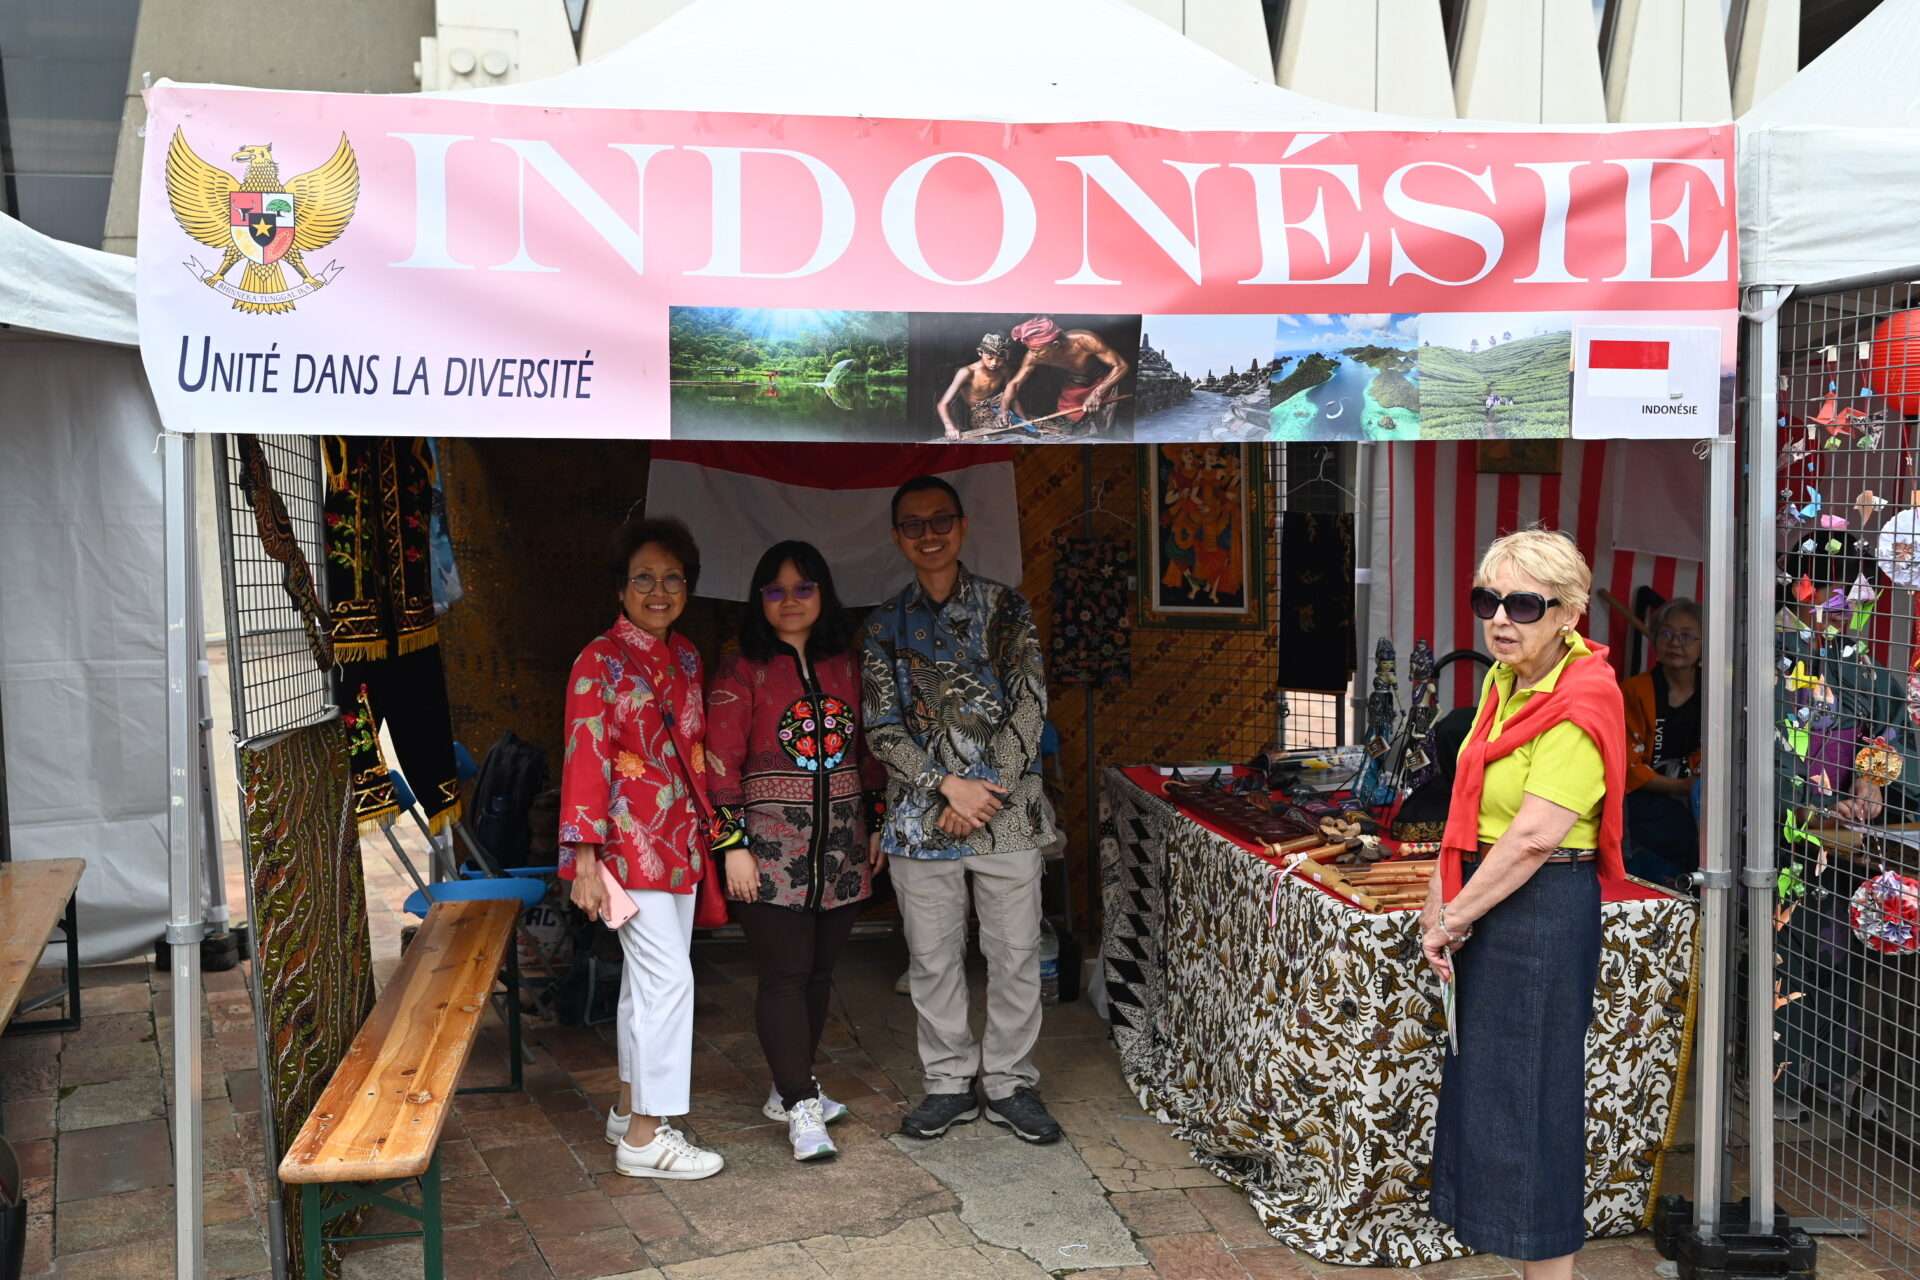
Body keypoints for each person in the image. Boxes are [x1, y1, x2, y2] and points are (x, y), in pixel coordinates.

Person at [1422, 528, 1632, 1278]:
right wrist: (1438, 893)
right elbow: (1469, 805)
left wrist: (1456, 914)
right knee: (1496, 1095)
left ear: (1569, 613)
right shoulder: (1505, 681)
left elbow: (1535, 835)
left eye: (1523, 604)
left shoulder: (1585, 696)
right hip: (1499, 898)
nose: (1500, 618)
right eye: (1489, 600)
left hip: (1540, 909)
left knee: (1535, 1104)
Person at [862, 475, 1063, 1144]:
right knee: (934, 959)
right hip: (923, 820)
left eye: (940, 520)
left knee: (1014, 955)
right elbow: (882, 726)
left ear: (963, 526)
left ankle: (1009, 1083)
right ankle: (948, 1082)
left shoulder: (1006, 610)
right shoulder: (884, 625)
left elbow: (1029, 705)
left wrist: (980, 793)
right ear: (897, 538)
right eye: (913, 525)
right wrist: (949, 787)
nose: (929, 534)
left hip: (1006, 815)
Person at [704, 541, 888, 1162]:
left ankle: (791, 1088)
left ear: (823, 594)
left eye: (802, 588)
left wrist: (876, 826)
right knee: (783, 976)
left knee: (819, 972)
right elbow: (718, 767)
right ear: (759, 600)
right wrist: (733, 847)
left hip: (840, 847)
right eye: (775, 590)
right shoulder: (740, 670)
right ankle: (801, 1104)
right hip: (768, 850)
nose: (789, 601)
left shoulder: (847, 665)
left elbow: (867, 755)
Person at [558, 516, 726, 1182]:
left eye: (672, 578)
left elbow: (692, 751)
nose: (659, 591)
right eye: (643, 579)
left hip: (679, 841)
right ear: (619, 588)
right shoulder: (597, 660)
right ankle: (646, 1139)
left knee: (645, 983)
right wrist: (585, 860)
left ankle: (628, 1109)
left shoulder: (685, 656)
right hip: (628, 853)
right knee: (668, 983)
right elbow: (585, 756)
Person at [1621, 599, 1704, 887]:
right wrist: (1680, 787)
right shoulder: (1635, 690)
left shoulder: (1716, 692)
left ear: (1704, 643)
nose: (1675, 643)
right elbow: (1628, 766)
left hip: (1696, 795)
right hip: (1644, 797)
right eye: (1666, 634)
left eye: (1686, 636)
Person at [1002, 317, 1130, 433]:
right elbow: (1015, 383)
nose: (1032, 355)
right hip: (1074, 386)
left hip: (1103, 382)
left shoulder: (1084, 340)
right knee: (1070, 426)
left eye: (1036, 351)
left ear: (1055, 345)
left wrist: (1098, 393)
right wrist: (1003, 410)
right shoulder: (1034, 355)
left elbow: (1121, 366)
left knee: (1104, 428)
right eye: (1031, 350)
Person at [936, 333, 1014, 440]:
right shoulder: (966, 372)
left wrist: (1024, 421)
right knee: (993, 432)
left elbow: (1012, 397)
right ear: (980, 353)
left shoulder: (1004, 370)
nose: (994, 363)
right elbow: (942, 404)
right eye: (989, 358)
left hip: (997, 407)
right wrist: (949, 427)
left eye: (1000, 359)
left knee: (1019, 423)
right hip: (978, 413)